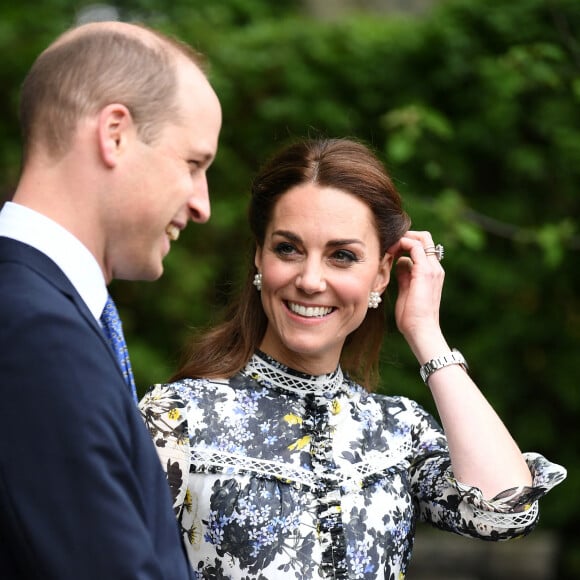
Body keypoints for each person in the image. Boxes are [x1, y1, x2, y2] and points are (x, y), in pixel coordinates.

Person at [139, 138, 566, 579]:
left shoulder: (397, 430)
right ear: (259, 258)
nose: (309, 280)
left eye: (342, 256)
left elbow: (504, 511)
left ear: (381, 273)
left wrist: (426, 333)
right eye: (288, 248)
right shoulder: (178, 417)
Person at [0, 20, 221, 580]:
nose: (203, 205)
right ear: (115, 134)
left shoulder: (46, 310)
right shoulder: (34, 331)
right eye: (193, 165)